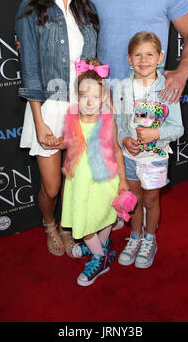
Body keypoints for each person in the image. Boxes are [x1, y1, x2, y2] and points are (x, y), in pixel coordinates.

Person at [14, 0, 98, 258]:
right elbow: (30, 70)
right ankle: (49, 222)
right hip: (48, 108)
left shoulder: (85, 7)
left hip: (82, 109)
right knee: (52, 186)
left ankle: (65, 225)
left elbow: (91, 62)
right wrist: (39, 122)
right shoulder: (32, 9)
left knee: (75, 182)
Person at [113, 32, 184, 268]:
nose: (143, 60)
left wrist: (157, 133)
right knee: (134, 200)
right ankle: (135, 237)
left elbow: (178, 128)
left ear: (160, 57)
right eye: (137, 55)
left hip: (155, 158)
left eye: (150, 54)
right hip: (129, 157)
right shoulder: (122, 87)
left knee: (151, 201)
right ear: (128, 59)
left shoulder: (168, 88)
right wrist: (124, 139)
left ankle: (149, 239)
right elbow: (119, 123)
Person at [60, 58, 129, 286]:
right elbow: (70, 143)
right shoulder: (71, 117)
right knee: (84, 221)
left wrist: (124, 182)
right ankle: (100, 250)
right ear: (77, 97)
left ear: (103, 98)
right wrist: (56, 142)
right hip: (80, 181)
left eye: (96, 97)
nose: (90, 102)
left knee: (103, 216)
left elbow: (117, 152)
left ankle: (100, 257)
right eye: (84, 96)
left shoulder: (108, 120)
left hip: (104, 181)